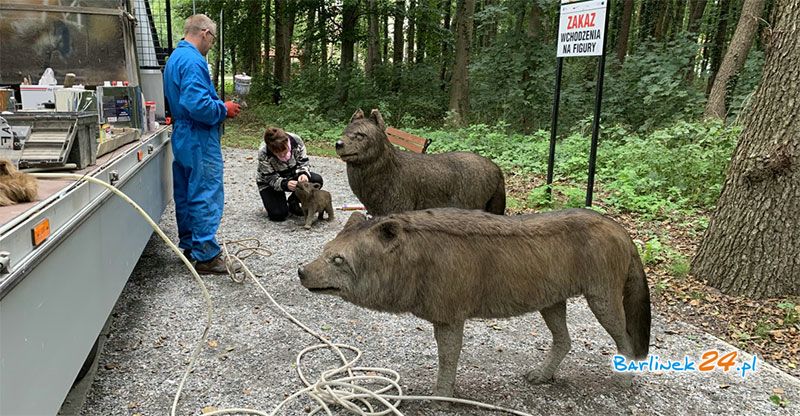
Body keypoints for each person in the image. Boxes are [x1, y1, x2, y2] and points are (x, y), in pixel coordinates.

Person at [163, 14, 241, 274]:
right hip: (199, 135)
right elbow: (197, 104)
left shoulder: (174, 58)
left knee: (186, 190)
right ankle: (206, 255)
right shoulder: (194, 60)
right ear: (205, 33)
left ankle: (190, 245)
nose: (212, 44)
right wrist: (224, 109)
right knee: (205, 191)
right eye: (213, 39)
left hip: (183, 134)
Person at [257, 127, 324, 221]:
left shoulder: (296, 140)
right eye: (277, 153)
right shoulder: (263, 152)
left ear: (286, 142)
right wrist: (285, 184)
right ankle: (280, 204)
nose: (282, 156)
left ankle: (294, 201)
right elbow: (270, 178)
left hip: (292, 172)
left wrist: (303, 173)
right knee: (278, 215)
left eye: (284, 151)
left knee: (316, 180)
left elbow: (303, 162)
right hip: (270, 181)